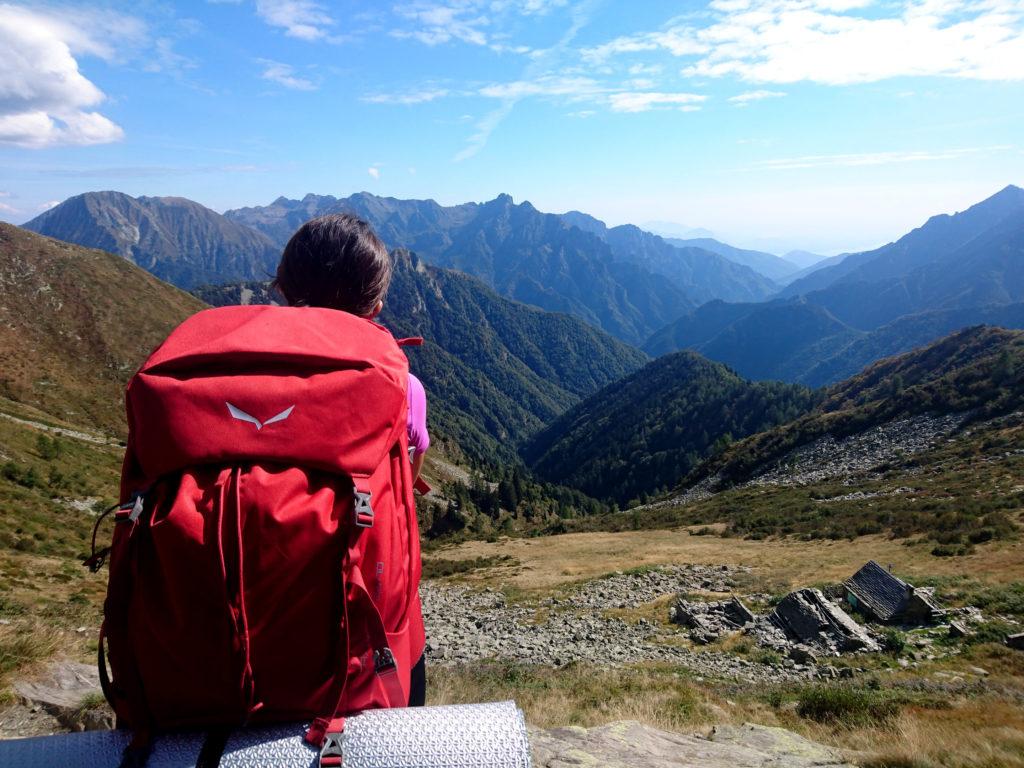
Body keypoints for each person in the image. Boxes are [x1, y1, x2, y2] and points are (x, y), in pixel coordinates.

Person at [272, 212, 428, 706]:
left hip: (207, 649)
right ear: (377, 306)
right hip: (355, 649)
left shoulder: (206, 379)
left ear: (280, 290)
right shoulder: (404, 391)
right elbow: (406, 497)